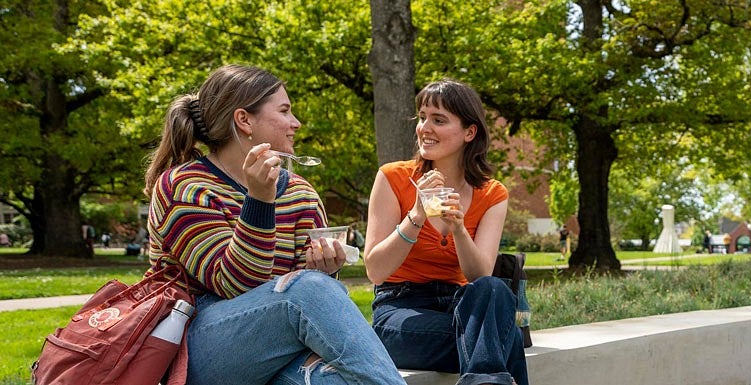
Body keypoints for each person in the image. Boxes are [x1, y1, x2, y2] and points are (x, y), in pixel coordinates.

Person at [142, 65, 403, 384]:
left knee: (333, 380)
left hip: (277, 344)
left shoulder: (299, 191)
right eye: (284, 111)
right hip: (195, 348)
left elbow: (305, 294)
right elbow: (235, 285)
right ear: (244, 120)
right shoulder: (185, 186)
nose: (296, 123)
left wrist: (324, 268)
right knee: (308, 288)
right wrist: (260, 201)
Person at [363, 79, 528, 385]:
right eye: (422, 116)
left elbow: (480, 275)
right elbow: (375, 270)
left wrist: (459, 229)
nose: (425, 127)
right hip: (400, 309)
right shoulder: (392, 177)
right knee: (506, 339)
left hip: (462, 305)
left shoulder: (491, 193)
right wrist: (416, 214)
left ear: (469, 132)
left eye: (438, 120)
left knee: (493, 289)